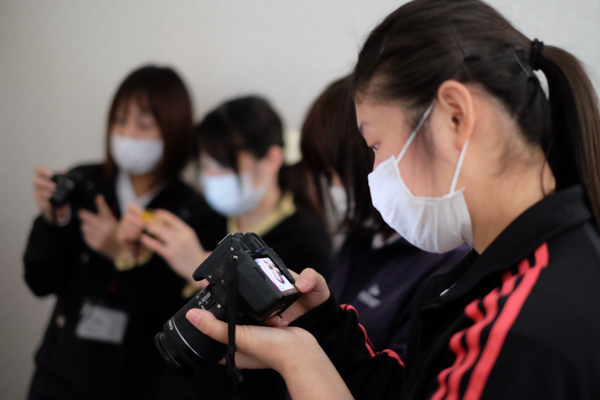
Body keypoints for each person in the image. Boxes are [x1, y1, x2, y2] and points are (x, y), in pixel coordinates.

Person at [184, 0, 600, 398]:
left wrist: (298, 362)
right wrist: (324, 329)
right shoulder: (495, 273)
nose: (373, 175)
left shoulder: (524, 332)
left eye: (376, 145)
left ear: (455, 116)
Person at [24, 65, 225, 400]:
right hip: (63, 373)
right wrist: (53, 221)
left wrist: (121, 255)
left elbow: (178, 322)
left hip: (139, 379)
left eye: (143, 124)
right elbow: (39, 281)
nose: (127, 133)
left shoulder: (194, 211)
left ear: (173, 130)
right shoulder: (85, 184)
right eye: (119, 120)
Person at [122, 95, 331, 399]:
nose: (212, 178)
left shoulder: (306, 242)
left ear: (271, 159)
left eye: (222, 164)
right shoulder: (203, 216)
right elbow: (152, 320)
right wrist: (134, 257)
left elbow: (284, 348)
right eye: (205, 165)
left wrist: (198, 263)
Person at [299, 76, 468, 359]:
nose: (334, 187)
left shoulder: (445, 256)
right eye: (326, 176)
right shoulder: (360, 240)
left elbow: (401, 382)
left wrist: (294, 357)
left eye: (376, 146)